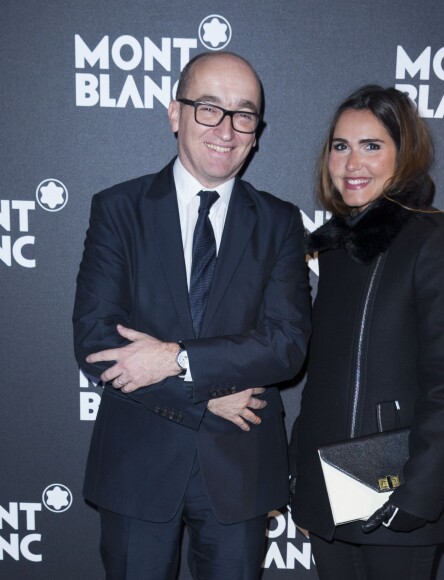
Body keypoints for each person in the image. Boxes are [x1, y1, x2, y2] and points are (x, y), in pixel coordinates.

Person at [72, 51, 311, 580]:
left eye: (243, 114)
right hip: (137, 465)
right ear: (174, 113)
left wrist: (178, 361)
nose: (226, 128)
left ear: (256, 132)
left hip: (240, 469)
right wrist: (205, 396)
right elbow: (96, 341)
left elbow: (286, 343)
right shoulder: (118, 210)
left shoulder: (279, 222)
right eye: (208, 108)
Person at [289, 85, 444, 580]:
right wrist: (307, 488)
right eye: (341, 145)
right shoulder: (333, 249)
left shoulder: (436, 241)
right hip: (331, 492)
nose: (353, 162)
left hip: (396, 489)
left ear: (404, 155)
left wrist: (420, 492)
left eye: (372, 146)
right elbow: (325, 380)